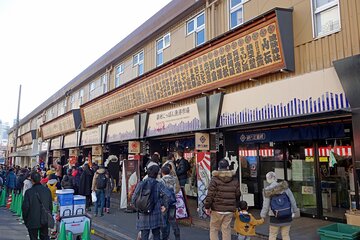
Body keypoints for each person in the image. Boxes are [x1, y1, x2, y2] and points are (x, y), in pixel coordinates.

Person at [132, 165, 173, 240]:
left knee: (144, 235)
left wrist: (139, 207)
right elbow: (168, 195)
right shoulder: (158, 184)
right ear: (157, 174)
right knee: (156, 234)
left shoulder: (141, 184)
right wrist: (165, 206)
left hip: (143, 212)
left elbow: (133, 199)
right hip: (156, 212)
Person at [204, 159, 241, 240]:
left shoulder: (215, 179)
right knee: (226, 229)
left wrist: (207, 207)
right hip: (229, 209)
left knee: (214, 229)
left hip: (216, 209)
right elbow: (238, 194)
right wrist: (236, 205)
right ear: (228, 167)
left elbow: (210, 195)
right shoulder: (234, 179)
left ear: (218, 167)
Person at [260, 171, 298, 240]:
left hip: (274, 216)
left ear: (268, 179)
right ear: (275, 178)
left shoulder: (267, 190)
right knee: (286, 235)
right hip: (287, 214)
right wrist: (295, 210)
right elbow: (292, 200)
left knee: (272, 235)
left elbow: (265, 205)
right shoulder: (285, 187)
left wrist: (263, 215)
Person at [22, 171, 53, 240]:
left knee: (33, 237)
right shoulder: (47, 191)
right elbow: (50, 206)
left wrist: (26, 220)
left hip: (32, 219)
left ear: (32, 180)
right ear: (40, 179)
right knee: (44, 237)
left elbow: (25, 208)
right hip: (44, 219)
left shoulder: (29, 192)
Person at [160, 166, 180, 240]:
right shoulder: (174, 179)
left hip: (164, 203)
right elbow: (177, 189)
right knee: (172, 219)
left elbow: (161, 192)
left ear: (162, 172)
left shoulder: (161, 180)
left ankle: (165, 237)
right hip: (172, 202)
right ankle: (177, 235)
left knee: (164, 221)